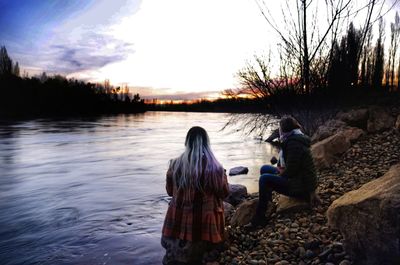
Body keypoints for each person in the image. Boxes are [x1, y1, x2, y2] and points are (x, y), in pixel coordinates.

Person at [161, 126, 229, 265]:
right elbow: (224, 193)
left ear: (187, 142)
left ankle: (177, 248)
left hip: (177, 221)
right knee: (215, 201)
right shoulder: (215, 168)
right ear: (206, 143)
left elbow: (169, 192)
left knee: (175, 201)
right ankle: (207, 246)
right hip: (203, 224)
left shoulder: (174, 164)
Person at [246, 116, 318, 228]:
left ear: (284, 129)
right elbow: (291, 167)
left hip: (301, 187)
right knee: (265, 168)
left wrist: (279, 174)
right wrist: (280, 171)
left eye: (279, 128)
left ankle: (260, 218)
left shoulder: (293, 144)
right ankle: (268, 205)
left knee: (264, 178)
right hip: (299, 179)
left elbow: (291, 171)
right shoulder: (296, 137)